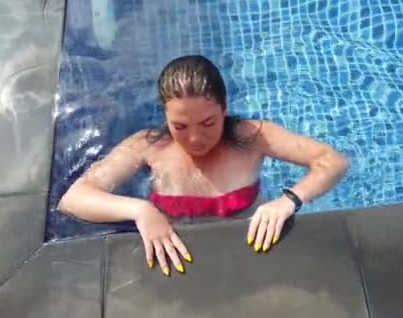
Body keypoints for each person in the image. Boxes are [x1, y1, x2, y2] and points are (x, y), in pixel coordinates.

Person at [58, 55, 348, 276]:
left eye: (208, 123)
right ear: (165, 115)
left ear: (224, 109)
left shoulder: (253, 137)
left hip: (251, 251)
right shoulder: (149, 146)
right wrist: (140, 210)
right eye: (180, 125)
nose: (195, 138)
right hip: (176, 262)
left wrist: (289, 200)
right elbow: (74, 198)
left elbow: (332, 161)